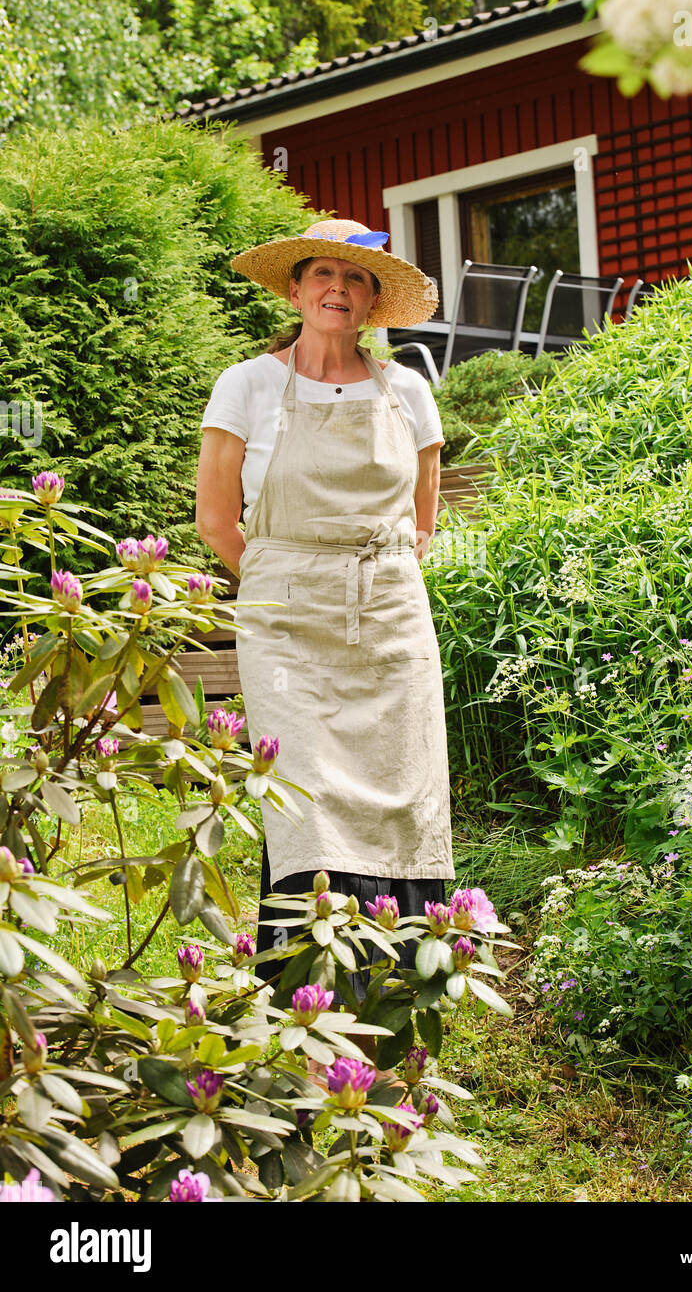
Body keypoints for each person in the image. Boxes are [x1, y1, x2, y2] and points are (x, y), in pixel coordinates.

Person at [195, 218, 453, 999]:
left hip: (388, 609)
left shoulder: (405, 388)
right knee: (301, 782)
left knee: (402, 779)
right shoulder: (247, 384)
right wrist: (279, 579)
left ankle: (404, 972)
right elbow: (214, 519)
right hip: (285, 616)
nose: (337, 289)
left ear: (373, 300)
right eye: (321, 276)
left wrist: (368, 579)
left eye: (355, 278)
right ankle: (304, 979)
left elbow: (421, 522)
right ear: (298, 290)